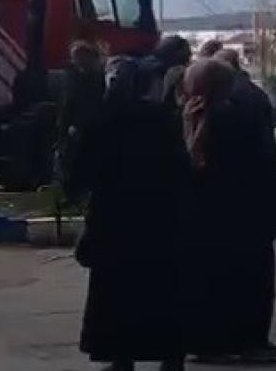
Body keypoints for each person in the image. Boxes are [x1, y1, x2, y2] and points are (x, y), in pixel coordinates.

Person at [76, 57, 190, 371]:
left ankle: (121, 357)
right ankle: (171, 357)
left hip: (114, 221)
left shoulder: (102, 121)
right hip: (161, 220)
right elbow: (181, 168)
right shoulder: (163, 120)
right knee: (163, 290)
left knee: (117, 292)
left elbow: (83, 172)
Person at [182, 59, 276, 364]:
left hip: (216, 214)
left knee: (217, 280)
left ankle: (216, 342)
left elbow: (192, 166)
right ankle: (244, 340)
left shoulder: (206, 115)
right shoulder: (230, 114)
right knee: (248, 280)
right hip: (241, 213)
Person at [56, 41, 104, 204]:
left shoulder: (96, 77)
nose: (75, 59)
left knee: (85, 160)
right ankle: (71, 194)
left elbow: (93, 102)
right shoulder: (71, 76)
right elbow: (67, 101)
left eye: (79, 56)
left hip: (88, 125)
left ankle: (84, 193)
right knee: (70, 160)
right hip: (73, 125)